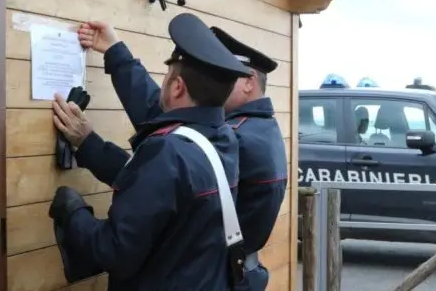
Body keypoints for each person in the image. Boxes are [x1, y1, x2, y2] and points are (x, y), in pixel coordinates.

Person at [69, 20, 287, 290]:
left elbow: (158, 176)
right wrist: (116, 53)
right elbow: (161, 178)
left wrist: (72, 209)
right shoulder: (241, 133)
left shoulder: (236, 137)